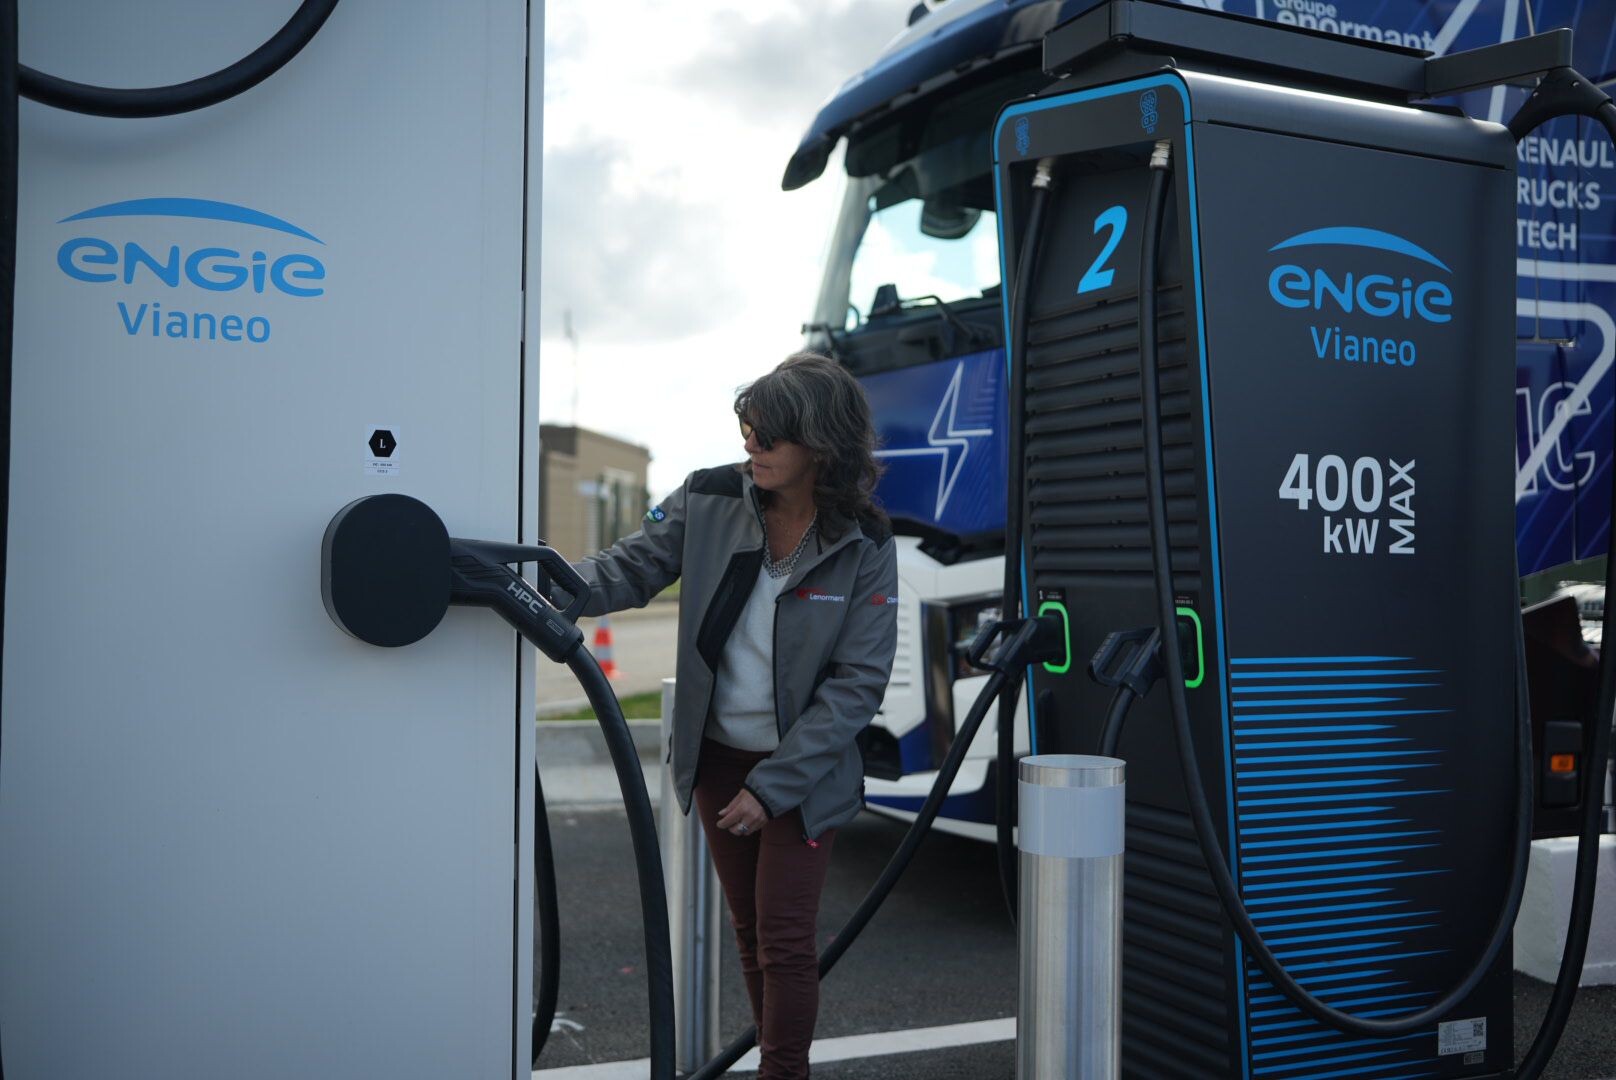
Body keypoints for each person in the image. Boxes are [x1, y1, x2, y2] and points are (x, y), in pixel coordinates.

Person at [571, 352, 898, 1079]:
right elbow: (629, 567)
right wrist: (547, 585)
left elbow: (858, 682)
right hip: (719, 758)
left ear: (820, 444)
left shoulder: (866, 543)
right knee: (751, 933)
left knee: (784, 938)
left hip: (805, 770)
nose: (751, 445)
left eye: (769, 436)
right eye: (747, 429)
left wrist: (774, 786)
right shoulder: (710, 498)